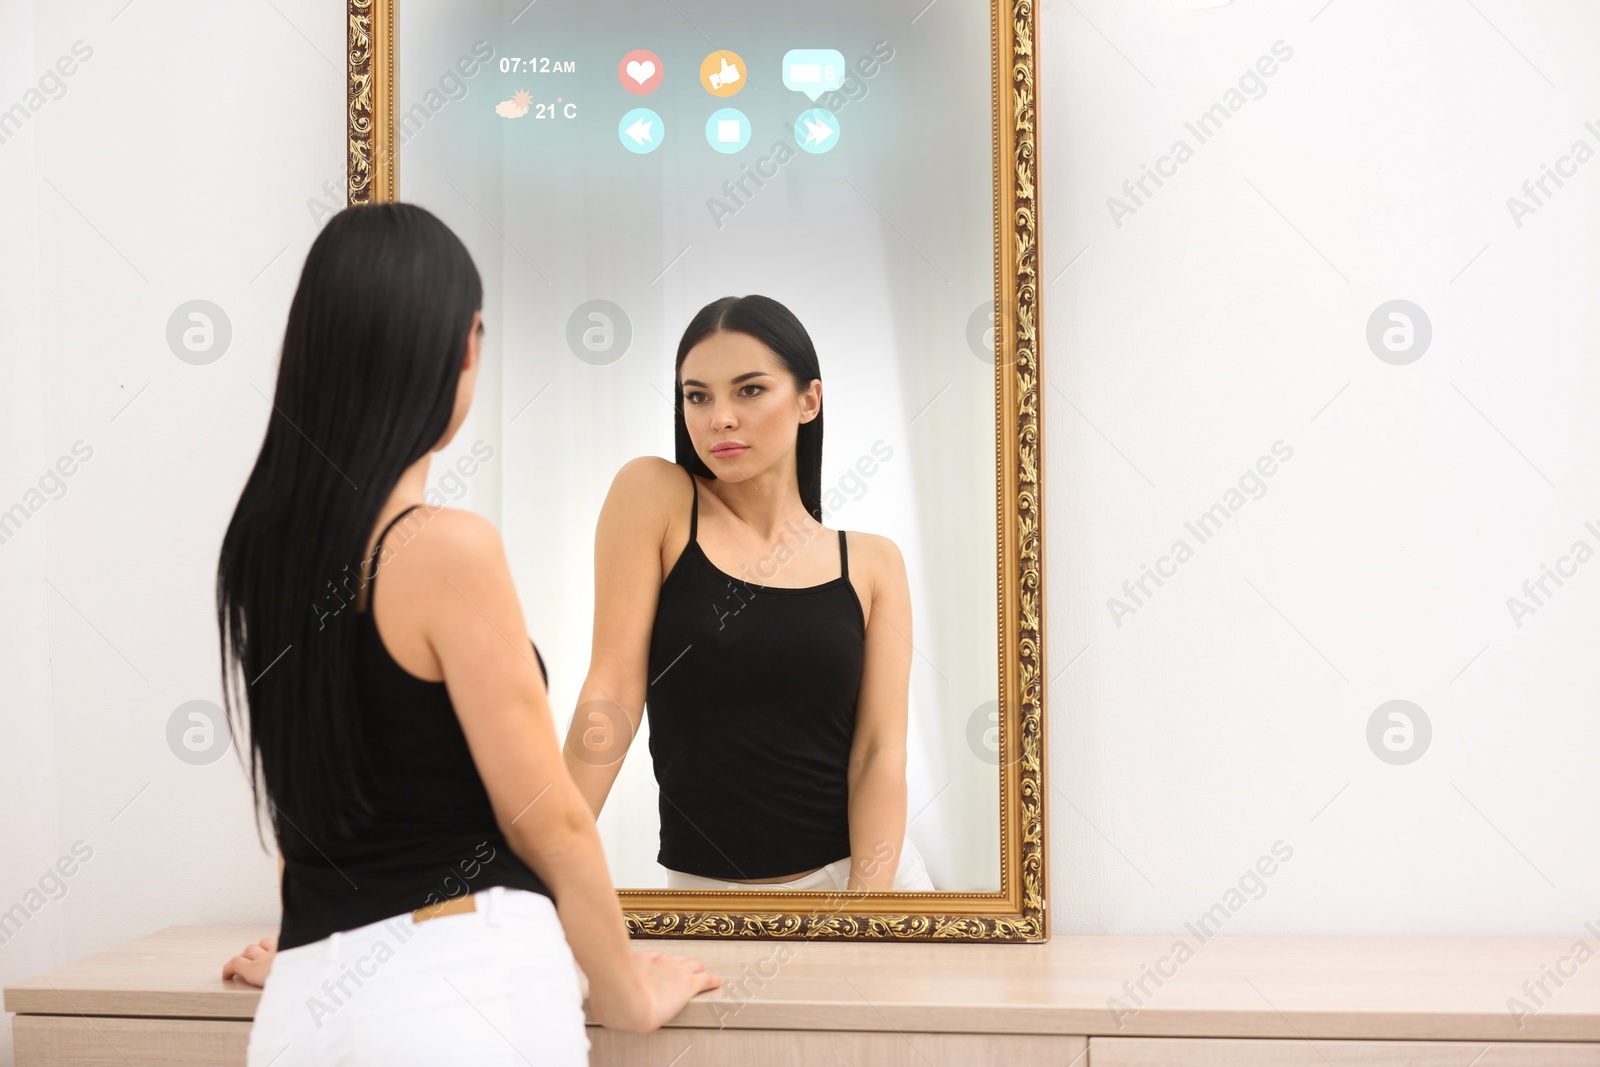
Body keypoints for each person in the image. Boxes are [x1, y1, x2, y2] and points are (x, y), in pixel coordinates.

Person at [214, 203, 719, 1065]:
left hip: (303, 1009)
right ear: (458, 347)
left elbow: (325, 797)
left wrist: (324, 959)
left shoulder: (260, 550)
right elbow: (547, 820)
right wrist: (627, 990)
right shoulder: (445, 548)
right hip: (461, 993)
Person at [561, 295, 936, 893]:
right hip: (706, 898)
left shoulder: (871, 563)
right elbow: (611, 693)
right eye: (697, 395)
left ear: (809, 400)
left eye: (750, 390)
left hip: (859, 884)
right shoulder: (654, 496)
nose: (720, 419)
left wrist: (868, 917)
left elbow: (879, 755)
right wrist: (540, 869)